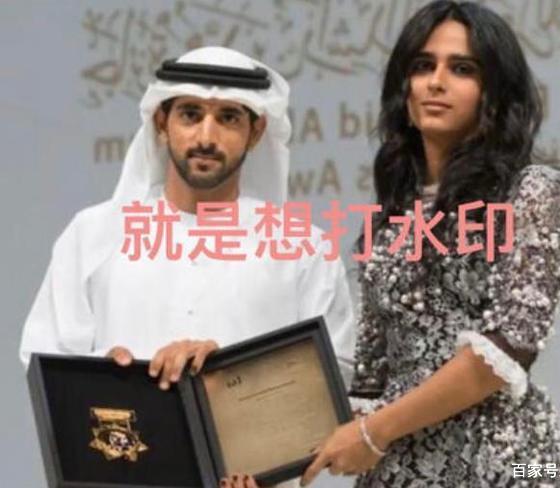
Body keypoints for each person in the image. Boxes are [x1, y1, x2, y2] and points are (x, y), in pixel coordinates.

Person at [20, 47, 355, 488]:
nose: (206, 137)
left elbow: (336, 372)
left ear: (257, 131)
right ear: (162, 122)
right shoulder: (93, 234)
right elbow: (47, 360)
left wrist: (229, 379)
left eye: (229, 118)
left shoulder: (303, 247)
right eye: (190, 115)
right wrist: (112, 373)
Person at [301, 2, 560, 487]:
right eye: (423, 66)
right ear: (403, 91)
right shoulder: (390, 218)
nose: (436, 82)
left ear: (494, 93)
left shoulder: (530, 191)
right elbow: (371, 374)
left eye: (462, 69)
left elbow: (509, 346)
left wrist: (373, 433)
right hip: (396, 467)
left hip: (497, 462)